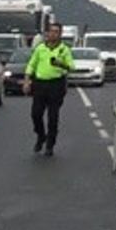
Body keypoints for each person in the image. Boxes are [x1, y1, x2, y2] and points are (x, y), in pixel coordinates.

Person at [22, 22, 73, 156]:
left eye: (56, 32)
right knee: (36, 114)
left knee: (53, 117)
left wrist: (61, 64)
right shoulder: (40, 48)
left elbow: (71, 66)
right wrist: (27, 81)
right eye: (51, 31)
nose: (53, 34)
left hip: (56, 85)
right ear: (47, 33)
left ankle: (50, 144)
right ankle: (41, 135)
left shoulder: (64, 49)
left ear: (60, 34)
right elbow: (31, 65)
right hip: (40, 84)